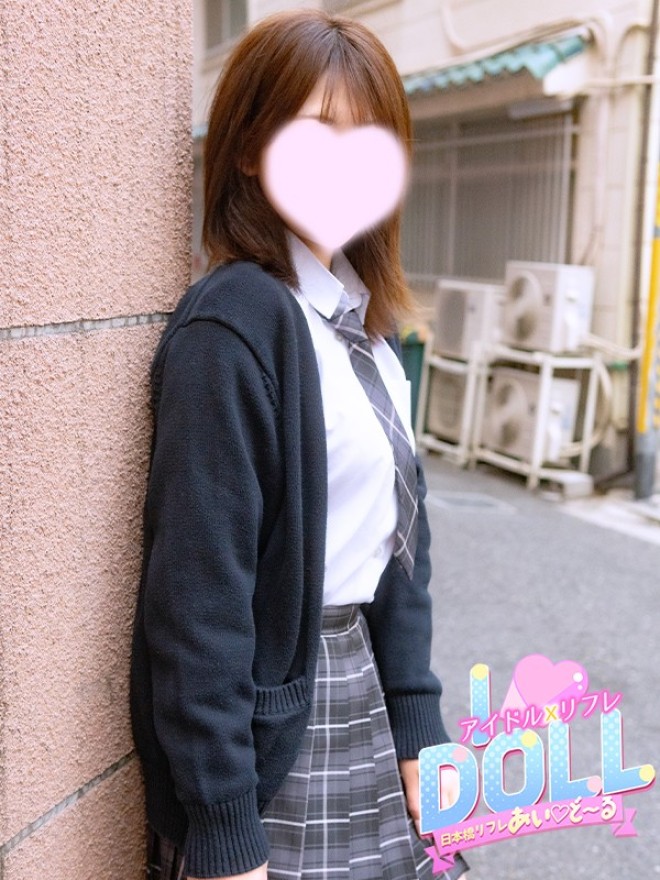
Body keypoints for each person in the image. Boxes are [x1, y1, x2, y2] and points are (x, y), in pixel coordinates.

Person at [130, 9, 468, 880]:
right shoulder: (235, 325)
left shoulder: (367, 330)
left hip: (360, 693)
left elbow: (401, 547)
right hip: (272, 737)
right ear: (251, 149)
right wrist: (223, 826)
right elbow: (196, 598)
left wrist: (417, 720)